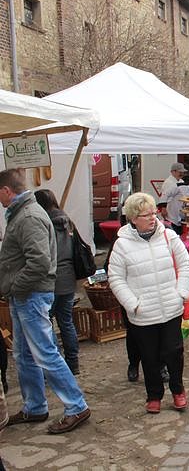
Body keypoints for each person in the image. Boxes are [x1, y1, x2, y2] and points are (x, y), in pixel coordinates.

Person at [0, 168, 91, 434]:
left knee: (44, 352)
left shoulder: (28, 216)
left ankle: (76, 405)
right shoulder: (23, 213)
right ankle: (35, 406)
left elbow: (39, 263)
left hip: (31, 295)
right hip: (25, 295)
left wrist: (15, 286)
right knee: (24, 353)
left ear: (7, 191)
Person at [108, 192, 189, 414]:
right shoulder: (122, 245)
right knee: (149, 356)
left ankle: (178, 390)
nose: (153, 218)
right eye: (146, 215)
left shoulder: (168, 236)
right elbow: (115, 278)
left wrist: (181, 293)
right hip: (143, 313)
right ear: (133, 218)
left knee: (174, 353)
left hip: (171, 307)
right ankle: (154, 395)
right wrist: (132, 304)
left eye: (154, 213)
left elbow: (185, 264)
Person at [33, 189, 80, 375]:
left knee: (48, 321)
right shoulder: (68, 221)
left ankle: (57, 364)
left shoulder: (42, 223)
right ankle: (73, 362)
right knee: (66, 321)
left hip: (50, 278)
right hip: (68, 277)